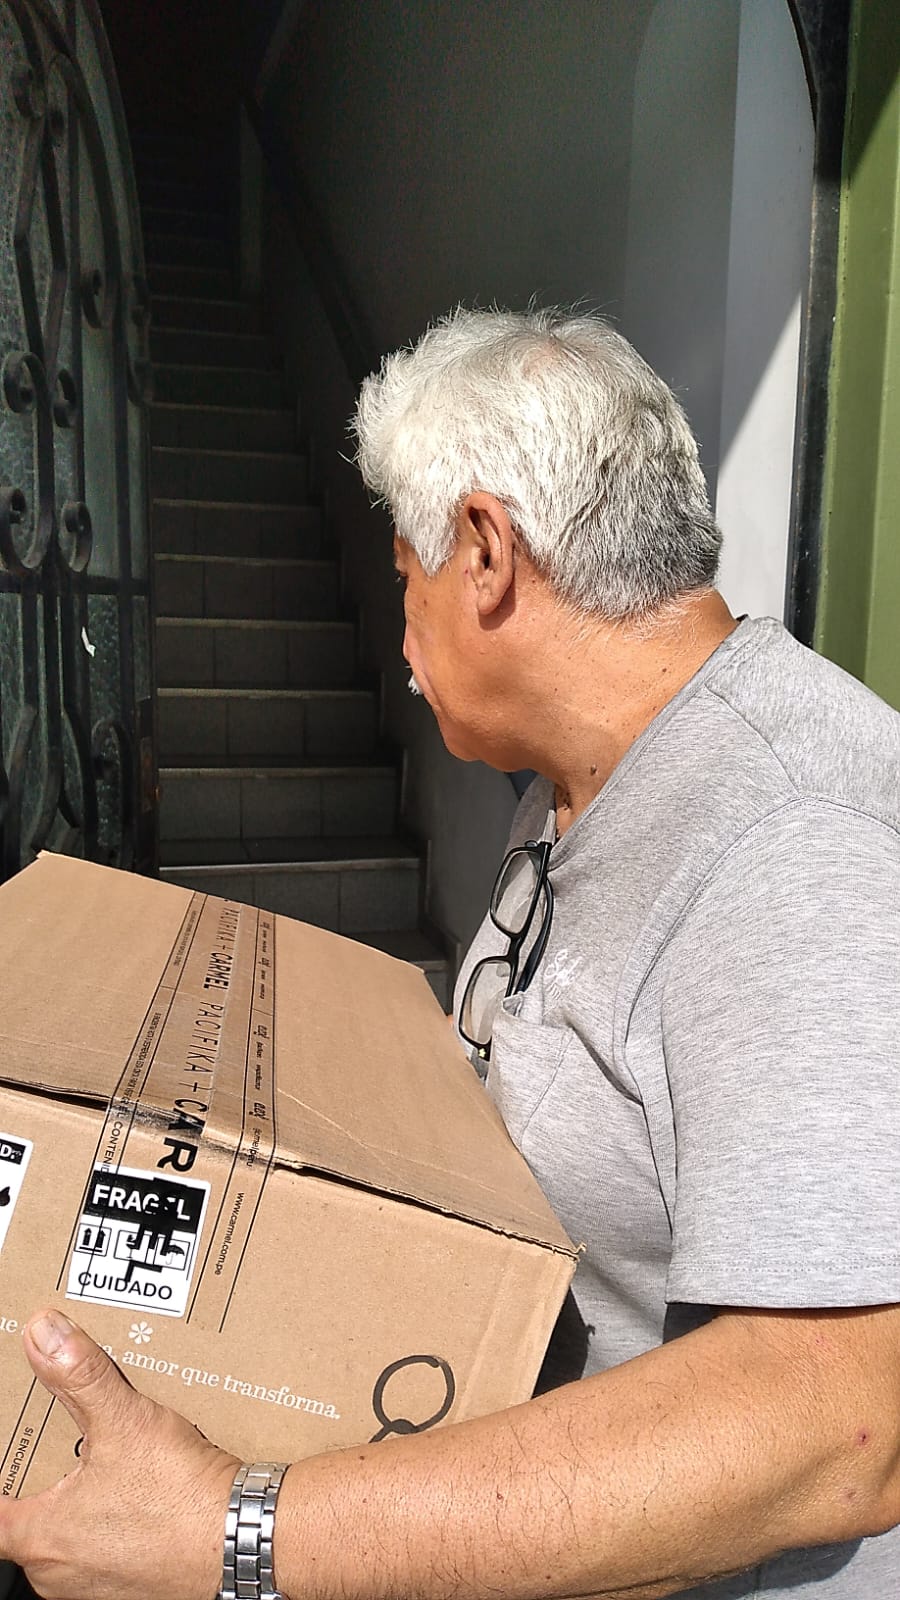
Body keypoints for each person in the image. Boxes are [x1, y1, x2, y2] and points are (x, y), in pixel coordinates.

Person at [2, 306, 899, 1600]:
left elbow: (836, 1423)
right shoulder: (587, 781)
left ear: (484, 551)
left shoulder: (793, 845)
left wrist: (238, 1535)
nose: (403, 634)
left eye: (403, 578)